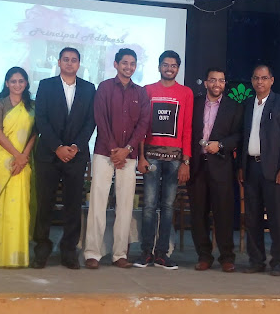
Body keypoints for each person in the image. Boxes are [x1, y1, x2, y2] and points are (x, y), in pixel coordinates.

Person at [84, 49, 150, 269]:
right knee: (98, 202)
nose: (128, 67)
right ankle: (93, 253)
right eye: (124, 63)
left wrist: (127, 149)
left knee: (125, 205)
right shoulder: (104, 88)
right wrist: (115, 150)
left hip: (129, 156)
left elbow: (143, 124)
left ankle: (120, 254)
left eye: (132, 64)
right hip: (105, 153)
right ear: (115, 64)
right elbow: (100, 119)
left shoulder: (141, 93)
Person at [32, 47, 96, 270]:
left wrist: (76, 146)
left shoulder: (89, 88)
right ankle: (41, 249)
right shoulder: (46, 85)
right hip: (48, 155)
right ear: (59, 62)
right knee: (44, 204)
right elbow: (41, 118)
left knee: (72, 205)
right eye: (66, 59)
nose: (69, 63)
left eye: (74, 60)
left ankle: (69, 251)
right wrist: (57, 147)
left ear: (79, 64)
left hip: (76, 156)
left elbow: (91, 121)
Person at [135, 50, 193, 270]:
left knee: (168, 207)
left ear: (178, 68)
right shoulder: (147, 90)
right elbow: (141, 127)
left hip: (175, 159)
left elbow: (187, 128)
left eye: (173, 65)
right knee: (149, 205)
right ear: (159, 67)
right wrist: (141, 156)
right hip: (151, 156)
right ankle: (146, 252)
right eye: (166, 65)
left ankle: (162, 254)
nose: (169, 69)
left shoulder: (186, 93)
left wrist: (186, 161)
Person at [240, 64, 280, 276]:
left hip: (274, 170)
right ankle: (256, 260)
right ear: (252, 81)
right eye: (256, 78)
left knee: (277, 217)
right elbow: (243, 137)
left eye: (264, 78)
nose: (260, 82)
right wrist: (241, 167)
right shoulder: (248, 104)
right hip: (251, 167)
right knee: (252, 217)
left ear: (272, 80)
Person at [188, 68, 243, 273]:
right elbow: (187, 131)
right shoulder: (194, 104)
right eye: (213, 80)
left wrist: (220, 145)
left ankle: (226, 257)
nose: (217, 84)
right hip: (197, 166)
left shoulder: (234, 106)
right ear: (205, 83)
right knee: (198, 213)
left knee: (224, 213)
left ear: (225, 83)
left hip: (221, 166)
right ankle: (204, 256)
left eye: (221, 80)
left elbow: (238, 136)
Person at [0, 67, 36, 268]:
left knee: (20, 208)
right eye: (13, 81)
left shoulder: (32, 106)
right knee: (2, 207)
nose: (17, 85)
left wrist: (23, 157)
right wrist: (17, 155)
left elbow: (34, 133)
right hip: (4, 161)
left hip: (23, 163)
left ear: (26, 83)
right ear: (7, 83)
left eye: (21, 81)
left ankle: (17, 255)